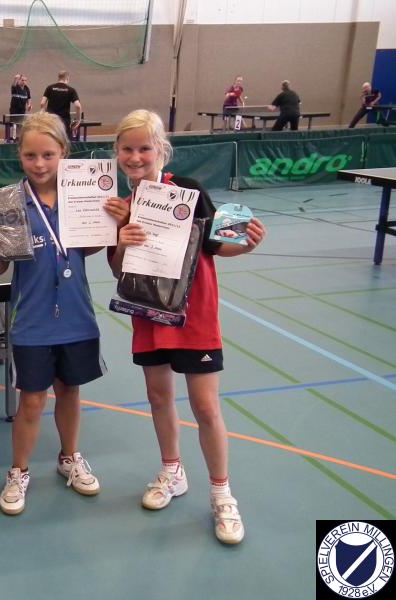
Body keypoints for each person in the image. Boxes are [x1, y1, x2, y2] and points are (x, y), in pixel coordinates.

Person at [108, 109, 266, 544]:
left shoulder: (189, 190)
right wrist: (121, 240)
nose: (135, 157)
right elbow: (118, 269)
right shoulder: (120, 207)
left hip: (194, 316)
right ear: (117, 152)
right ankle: (172, 471)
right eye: (127, 149)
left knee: (205, 406)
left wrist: (246, 245)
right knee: (159, 397)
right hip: (148, 314)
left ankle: (222, 494)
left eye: (144, 148)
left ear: (161, 149)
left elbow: (218, 245)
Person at [0, 112, 125, 515]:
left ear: (63, 153)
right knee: (31, 401)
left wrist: (114, 224)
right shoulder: (7, 204)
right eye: (30, 155)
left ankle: (69, 458)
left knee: (70, 391)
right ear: (19, 154)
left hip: (77, 316)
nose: (39, 163)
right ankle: (18, 471)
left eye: (48, 154)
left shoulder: (83, 196)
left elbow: (85, 249)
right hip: (31, 320)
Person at [40, 70, 82, 140]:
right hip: (64, 121)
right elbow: (78, 106)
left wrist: (44, 116)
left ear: (58, 78)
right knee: (64, 142)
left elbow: (42, 103)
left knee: (51, 140)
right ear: (67, 78)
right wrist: (78, 120)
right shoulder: (71, 90)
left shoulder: (49, 88)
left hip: (51, 121)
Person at [8, 73, 32, 141]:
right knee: (13, 125)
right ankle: (12, 139)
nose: (24, 82)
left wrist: (29, 104)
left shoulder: (27, 89)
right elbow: (13, 85)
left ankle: (19, 139)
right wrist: (15, 79)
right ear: (19, 80)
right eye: (22, 80)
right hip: (14, 110)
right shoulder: (15, 87)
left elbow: (29, 98)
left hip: (22, 110)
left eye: (25, 80)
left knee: (20, 125)